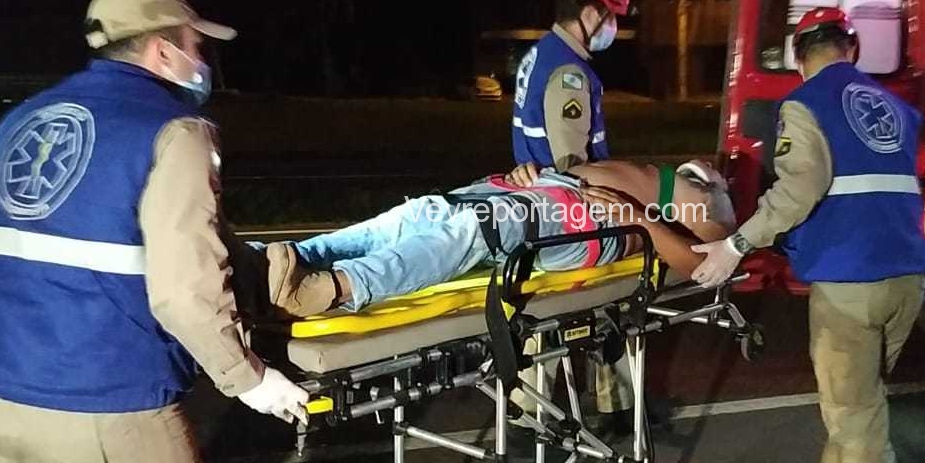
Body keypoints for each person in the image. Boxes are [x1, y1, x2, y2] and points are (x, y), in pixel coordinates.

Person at [0, 0, 309, 463]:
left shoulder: (20, 122)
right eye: (195, 46)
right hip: (109, 410)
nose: (202, 61)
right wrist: (248, 379)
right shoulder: (174, 131)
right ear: (162, 51)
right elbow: (184, 290)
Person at [690, 7, 925, 463]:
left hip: (850, 282)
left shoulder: (805, 105)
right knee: (859, 402)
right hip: (908, 279)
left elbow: (800, 188)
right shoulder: (897, 109)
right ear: (853, 49)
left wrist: (736, 246)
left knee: (858, 422)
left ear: (798, 57)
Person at [262, 159, 733, 318]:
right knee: (422, 212)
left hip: (590, 220)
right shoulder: (678, 176)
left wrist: (638, 219)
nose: (715, 162)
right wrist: (535, 173)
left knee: (484, 227)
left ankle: (335, 287)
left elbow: (703, 269)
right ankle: (288, 259)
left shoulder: (711, 203)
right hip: (552, 190)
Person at [512, 0, 631, 171]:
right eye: (611, 16)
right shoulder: (569, 74)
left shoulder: (545, 50)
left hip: (538, 181)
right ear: (590, 13)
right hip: (561, 189)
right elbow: (572, 168)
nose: (613, 26)